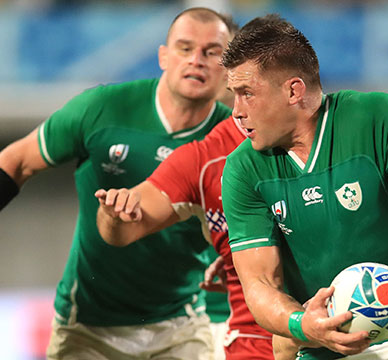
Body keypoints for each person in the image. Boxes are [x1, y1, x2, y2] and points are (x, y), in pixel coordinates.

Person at [219, 15, 388, 360]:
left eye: (247, 94)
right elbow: (260, 285)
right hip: (323, 351)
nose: (236, 111)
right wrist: (302, 325)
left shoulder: (380, 117)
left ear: (293, 90)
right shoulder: (243, 169)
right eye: (234, 95)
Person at [0, 7, 237, 359]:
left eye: (212, 52)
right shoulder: (101, 108)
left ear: (229, 68)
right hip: (87, 325)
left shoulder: (235, 139)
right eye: (185, 48)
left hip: (181, 325)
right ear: (163, 56)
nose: (197, 61)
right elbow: (16, 162)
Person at [95, 115, 274, 359]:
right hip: (254, 341)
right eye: (236, 91)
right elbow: (123, 230)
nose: (240, 108)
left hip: (332, 327)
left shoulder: (333, 133)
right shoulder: (204, 157)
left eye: (249, 91)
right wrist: (113, 215)